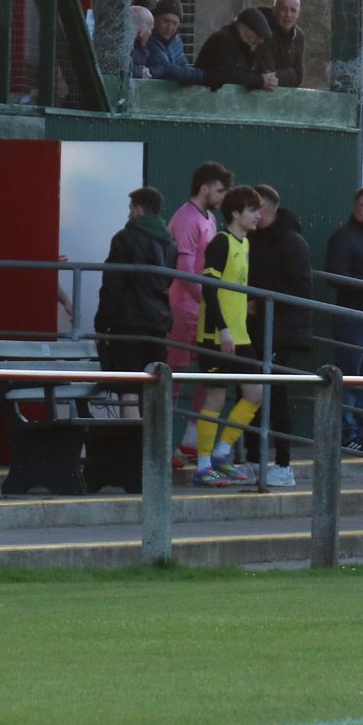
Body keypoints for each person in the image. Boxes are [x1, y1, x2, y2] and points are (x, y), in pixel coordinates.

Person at [193, 186, 265, 486]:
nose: (258, 216)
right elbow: (208, 288)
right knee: (215, 396)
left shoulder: (245, 243)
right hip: (216, 334)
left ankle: (222, 453)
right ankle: (203, 465)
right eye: (253, 210)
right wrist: (222, 328)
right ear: (236, 213)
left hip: (241, 335)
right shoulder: (220, 242)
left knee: (256, 393)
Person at [242, 185, 312, 488]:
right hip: (255, 329)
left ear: (264, 209)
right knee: (251, 391)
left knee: (276, 395)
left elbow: (301, 287)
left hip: (281, 331)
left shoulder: (291, 242)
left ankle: (283, 464)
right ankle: (253, 459)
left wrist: (261, 301)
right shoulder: (252, 239)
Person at [168, 162, 232, 465]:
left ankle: (191, 440)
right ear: (204, 188)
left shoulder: (210, 218)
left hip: (202, 309)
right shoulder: (185, 219)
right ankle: (163, 443)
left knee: (210, 373)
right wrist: (208, 301)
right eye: (219, 190)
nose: (222, 197)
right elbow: (184, 271)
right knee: (174, 377)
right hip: (182, 310)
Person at [324, 187, 363, 456]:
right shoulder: (343, 238)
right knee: (350, 377)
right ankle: (346, 434)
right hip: (352, 316)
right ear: (354, 207)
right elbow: (334, 275)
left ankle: (362, 434)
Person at [92, 186, 176, 382]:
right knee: (154, 386)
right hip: (158, 324)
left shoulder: (124, 238)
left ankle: (131, 415)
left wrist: (101, 324)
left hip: (128, 323)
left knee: (128, 386)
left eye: (130, 208)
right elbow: (167, 282)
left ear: (138, 209)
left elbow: (113, 285)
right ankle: (151, 415)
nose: (129, 213)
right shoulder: (169, 243)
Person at [195, 8, 277, 91]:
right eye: (257, 35)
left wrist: (269, 79)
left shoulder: (250, 45)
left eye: (262, 37)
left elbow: (263, 68)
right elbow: (226, 75)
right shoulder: (221, 40)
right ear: (242, 27)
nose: (260, 41)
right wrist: (259, 81)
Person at [142, 0, 202, 84]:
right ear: (155, 19)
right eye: (166, 21)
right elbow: (166, 69)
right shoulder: (148, 39)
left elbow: (183, 66)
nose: (170, 27)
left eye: (174, 23)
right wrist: (202, 75)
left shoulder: (177, 41)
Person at [258, 0, 306, 88]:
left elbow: (299, 76)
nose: (288, 15)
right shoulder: (263, 32)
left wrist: (279, 75)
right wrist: (291, 73)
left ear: (298, 13)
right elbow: (267, 77)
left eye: (293, 10)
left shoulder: (299, 36)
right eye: (283, 9)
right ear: (274, 10)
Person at [127, 6, 154, 77]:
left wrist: (148, 71)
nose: (150, 33)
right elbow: (120, 67)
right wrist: (141, 72)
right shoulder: (122, 45)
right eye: (150, 29)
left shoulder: (141, 46)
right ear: (142, 29)